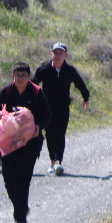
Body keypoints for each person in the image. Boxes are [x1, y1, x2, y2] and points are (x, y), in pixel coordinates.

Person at [0, 63, 51, 223]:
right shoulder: (6, 92)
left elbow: (47, 115)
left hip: (30, 143)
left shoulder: (37, 93)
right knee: (8, 178)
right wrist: (1, 116)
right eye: (17, 76)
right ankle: (21, 207)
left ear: (29, 76)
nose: (20, 79)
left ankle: (20, 218)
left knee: (21, 178)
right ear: (13, 76)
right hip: (9, 142)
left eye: (24, 76)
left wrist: (38, 127)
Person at [31, 42, 90, 176]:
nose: (58, 56)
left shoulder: (70, 71)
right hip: (47, 108)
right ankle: (52, 161)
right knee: (50, 133)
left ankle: (59, 162)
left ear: (65, 55)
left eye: (61, 53)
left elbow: (80, 84)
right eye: (55, 53)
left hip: (63, 107)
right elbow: (33, 84)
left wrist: (86, 97)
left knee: (60, 133)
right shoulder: (44, 69)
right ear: (51, 54)